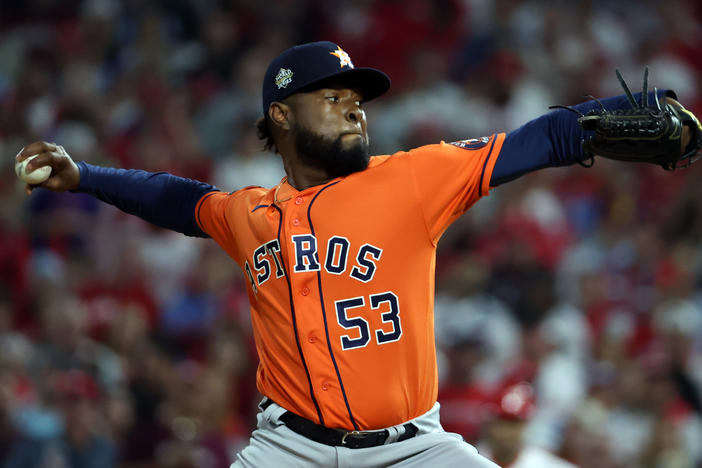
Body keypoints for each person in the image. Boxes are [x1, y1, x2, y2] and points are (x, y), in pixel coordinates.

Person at [15, 41, 698, 467]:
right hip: (289, 449)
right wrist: (87, 176)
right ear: (281, 115)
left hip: (414, 448)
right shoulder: (249, 215)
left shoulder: (411, 179)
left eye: (358, 100)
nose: (355, 110)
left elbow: (537, 139)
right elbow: (176, 199)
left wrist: (615, 116)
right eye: (333, 97)